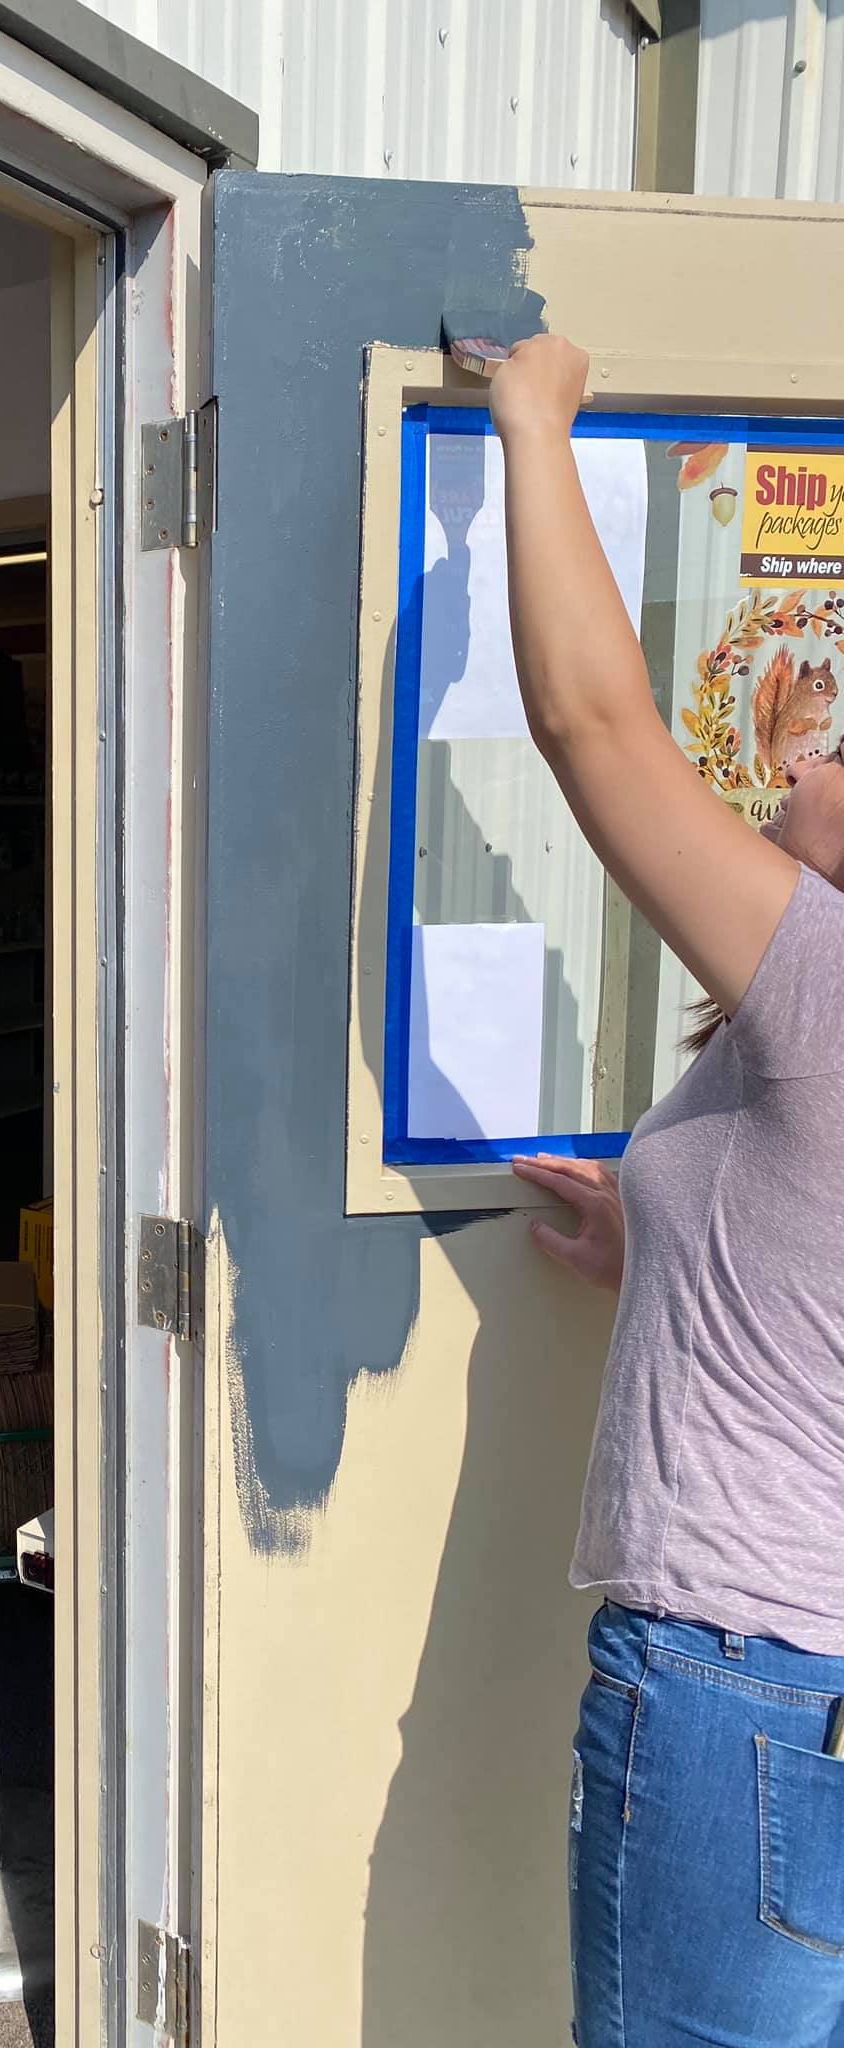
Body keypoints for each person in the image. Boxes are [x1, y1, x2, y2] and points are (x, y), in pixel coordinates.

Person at [492, 335, 844, 2048]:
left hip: (742, 1696)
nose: (803, 750)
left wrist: (531, 415)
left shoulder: (829, 975)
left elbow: (594, 724)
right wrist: (668, 1247)